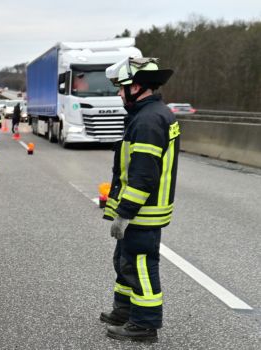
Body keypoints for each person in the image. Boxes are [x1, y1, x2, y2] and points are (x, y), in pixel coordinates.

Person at [100, 57, 177, 343]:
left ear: (139, 86)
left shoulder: (148, 120)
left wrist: (125, 212)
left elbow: (143, 175)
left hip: (144, 212)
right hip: (143, 210)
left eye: (123, 87)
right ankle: (124, 311)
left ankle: (144, 324)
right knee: (124, 261)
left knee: (140, 265)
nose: (120, 93)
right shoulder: (148, 114)